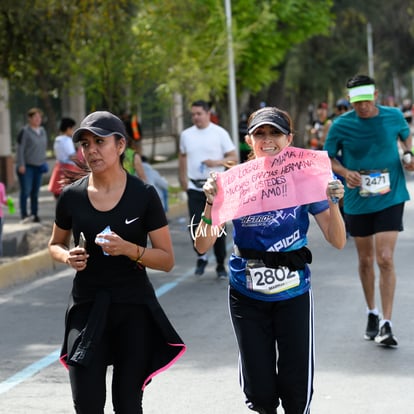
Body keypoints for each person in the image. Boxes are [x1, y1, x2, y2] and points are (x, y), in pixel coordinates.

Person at [194, 106, 346, 413]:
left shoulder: (306, 177)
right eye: (260, 134)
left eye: (275, 133)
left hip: (294, 290)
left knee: (295, 389)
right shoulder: (233, 182)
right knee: (260, 391)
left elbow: (337, 240)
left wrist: (334, 203)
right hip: (246, 292)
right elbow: (202, 244)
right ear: (249, 140)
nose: (268, 140)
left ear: (289, 138)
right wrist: (211, 202)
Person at [48, 111, 186, 413]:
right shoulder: (71, 196)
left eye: (100, 141)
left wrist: (129, 249)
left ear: (120, 145)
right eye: (85, 144)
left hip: (132, 309)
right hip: (86, 308)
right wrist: (67, 256)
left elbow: (166, 260)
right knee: (87, 403)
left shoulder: (144, 195)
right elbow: (55, 244)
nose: (91, 150)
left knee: (127, 404)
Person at [324, 74, 414, 347]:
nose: (362, 107)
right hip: (357, 199)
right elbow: (328, 158)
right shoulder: (340, 125)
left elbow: (407, 140)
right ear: (350, 100)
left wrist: (409, 156)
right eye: (356, 102)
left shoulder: (394, 116)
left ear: (375, 96)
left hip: (391, 195)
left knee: (385, 258)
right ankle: (371, 312)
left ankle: (387, 323)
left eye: (366, 101)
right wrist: (344, 171)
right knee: (365, 260)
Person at [178, 99, 238, 278]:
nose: (195, 117)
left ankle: (220, 264)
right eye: (193, 114)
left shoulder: (219, 133)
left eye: (199, 114)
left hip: (214, 188)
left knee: (217, 227)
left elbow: (233, 158)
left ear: (207, 113)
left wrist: (216, 162)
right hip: (194, 186)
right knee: (195, 225)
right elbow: (182, 157)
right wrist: (182, 179)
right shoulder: (186, 135)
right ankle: (201, 256)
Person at [15, 107, 48, 223]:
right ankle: (24, 214)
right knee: (26, 191)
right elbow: (20, 149)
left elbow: (43, 148)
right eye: (35, 117)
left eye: (39, 117)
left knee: (35, 192)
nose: (38, 119)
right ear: (29, 119)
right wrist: (21, 164)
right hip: (27, 166)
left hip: (39, 166)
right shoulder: (25, 131)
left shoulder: (43, 131)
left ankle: (34, 214)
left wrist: (44, 162)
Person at [48, 117, 80, 199]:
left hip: (59, 168)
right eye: (72, 129)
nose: (73, 131)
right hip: (69, 169)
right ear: (68, 128)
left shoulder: (57, 140)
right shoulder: (67, 140)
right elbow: (72, 156)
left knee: (58, 194)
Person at [0, 181, 8, 256]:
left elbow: (3, 200)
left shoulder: (1, 185)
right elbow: (3, 201)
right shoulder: (1, 185)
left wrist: (9, 202)